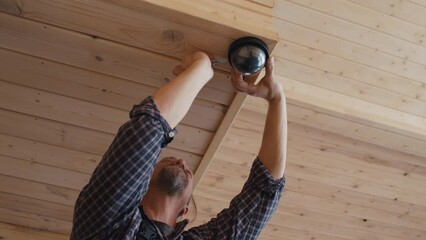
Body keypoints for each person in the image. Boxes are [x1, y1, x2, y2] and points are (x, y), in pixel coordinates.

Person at [71, 51, 287, 240]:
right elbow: (264, 193)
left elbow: (144, 132)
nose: (182, 161)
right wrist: (276, 99)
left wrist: (201, 67)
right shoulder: (107, 220)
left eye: (167, 161)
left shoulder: (104, 226)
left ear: (184, 209)